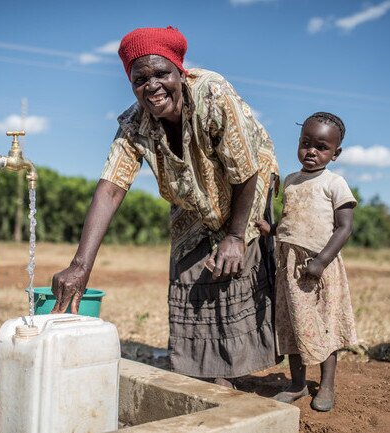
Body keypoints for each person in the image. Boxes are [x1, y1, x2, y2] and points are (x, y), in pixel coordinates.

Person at [51, 26, 280, 386]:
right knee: (191, 274)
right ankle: (198, 372)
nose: (152, 86)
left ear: (179, 71)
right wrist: (80, 265)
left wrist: (235, 235)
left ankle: (232, 373)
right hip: (190, 197)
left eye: (161, 74)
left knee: (232, 268)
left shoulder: (212, 93)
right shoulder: (134, 123)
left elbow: (246, 168)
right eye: (140, 79)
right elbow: (111, 187)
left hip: (243, 190)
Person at [256, 112, 357, 411]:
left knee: (323, 327)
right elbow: (291, 222)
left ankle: (326, 386)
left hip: (318, 268)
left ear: (335, 153)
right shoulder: (291, 181)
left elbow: (344, 227)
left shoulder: (335, 183)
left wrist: (321, 261)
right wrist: (270, 230)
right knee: (290, 326)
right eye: (306, 143)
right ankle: (297, 384)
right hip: (289, 266)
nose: (311, 151)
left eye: (321, 147)